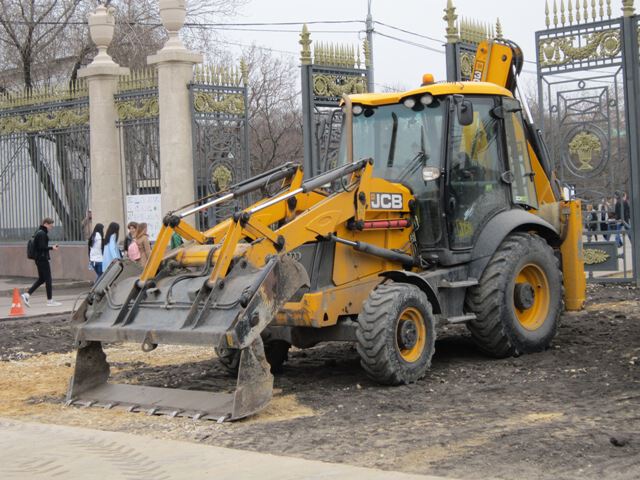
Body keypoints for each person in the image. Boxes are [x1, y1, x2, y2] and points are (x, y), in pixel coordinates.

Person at [21, 217, 61, 307]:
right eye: (50, 226)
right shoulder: (42, 234)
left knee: (42, 279)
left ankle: (27, 295)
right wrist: (52, 248)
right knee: (48, 279)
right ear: (45, 224)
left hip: (39, 259)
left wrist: (50, 247)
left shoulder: (38, 232)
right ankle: (50, 301)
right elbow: (41, 247)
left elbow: (39, 246)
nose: (51, 227)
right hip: (42, 259)